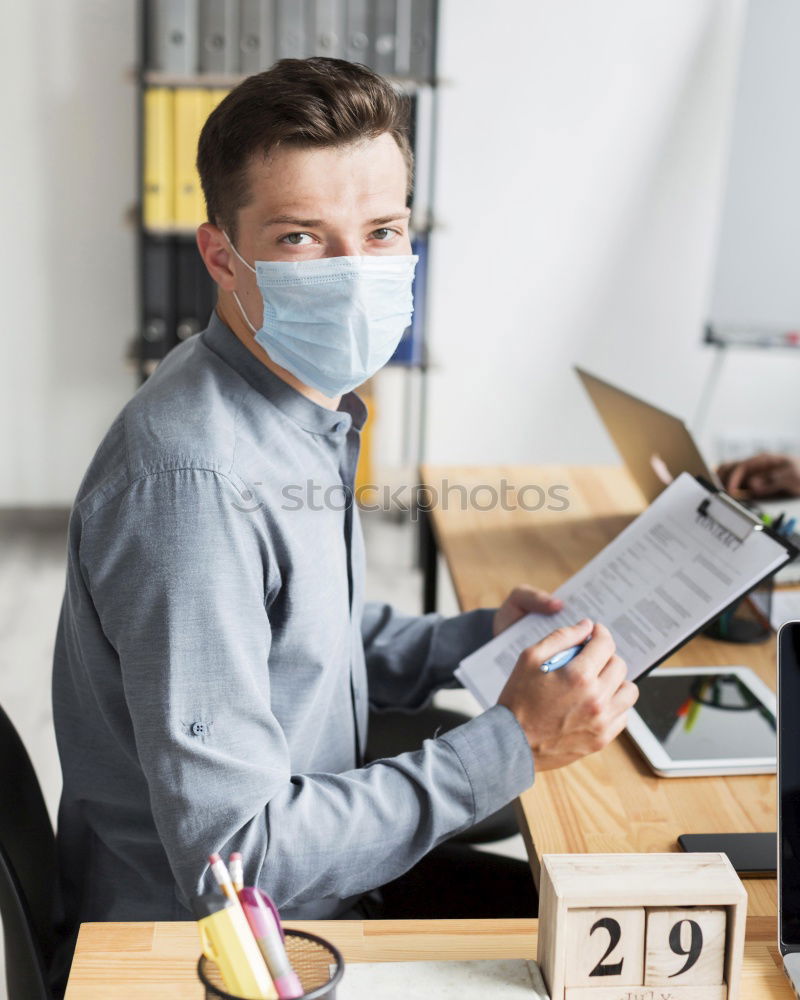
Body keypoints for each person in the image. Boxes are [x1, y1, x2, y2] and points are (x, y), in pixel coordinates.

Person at [50, 57, 638, 984]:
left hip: (316, 884)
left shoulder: (290, 405)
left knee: (608, 896)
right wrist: (513, 744)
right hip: (223, 950)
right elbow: (235, 860)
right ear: (219, 256)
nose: (356, 272)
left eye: (382, 231)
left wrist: (471, 639)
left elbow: (304, 637)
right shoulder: (194, 484)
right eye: (300, 238)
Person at [717, 453, 800, 499]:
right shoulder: (788, 466)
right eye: (768, 480)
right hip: (721, 479)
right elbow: (742, 467)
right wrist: (730, 490)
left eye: (781, 492)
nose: (758, 489)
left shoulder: (795, 486)